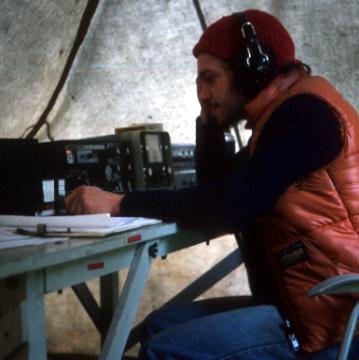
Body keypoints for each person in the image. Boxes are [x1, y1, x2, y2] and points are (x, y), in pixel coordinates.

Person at [64, 8, 359, 359]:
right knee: (161, 325)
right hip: (306, 302)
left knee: (163, 350)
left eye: (210, 79)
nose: (202, 93)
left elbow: (230, 206)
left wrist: (117, 203)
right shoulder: (279, 117)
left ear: (252, 73)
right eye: (197, 84)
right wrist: (210, 124)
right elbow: (221, 187)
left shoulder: (304, 115)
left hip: (334, 321)